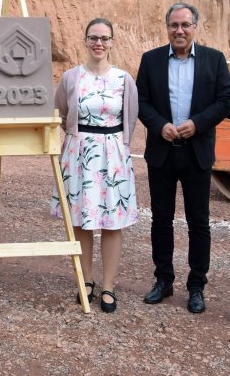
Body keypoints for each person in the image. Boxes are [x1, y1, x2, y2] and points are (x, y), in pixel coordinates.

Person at [135, 3, 230, 314]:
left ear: (195, 27)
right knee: (161, 220)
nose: (179, 30)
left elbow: (225, 100)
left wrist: (198, 123)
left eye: (185, 25)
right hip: (162, 152)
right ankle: (163, 280)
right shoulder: (150, 60)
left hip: (197, 152)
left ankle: (196, 285)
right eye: (174, 25)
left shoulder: (214, 60)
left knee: (198, 222)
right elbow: (140, 100)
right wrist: (158, 124)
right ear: (167, 27)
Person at [50, 18, 139, 313]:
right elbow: (62, 111)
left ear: (112, 42)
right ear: (85, 41)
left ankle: (109, 285)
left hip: (113, 152)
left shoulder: (124, 79)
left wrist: (115, 147)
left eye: (104, 38)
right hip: (79, 153)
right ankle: (85, 280)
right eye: (93, 38)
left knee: (112, 222)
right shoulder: (71, 77)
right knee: (81, 219)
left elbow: (131, 117)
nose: (98, 43)